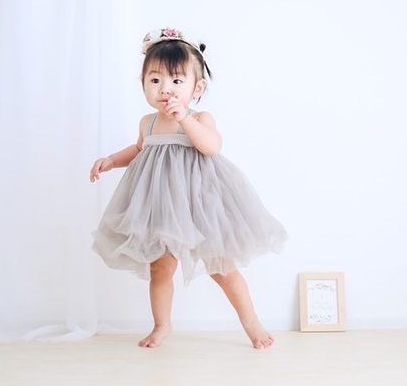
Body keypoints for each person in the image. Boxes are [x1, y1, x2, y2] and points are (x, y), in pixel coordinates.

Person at [89, 27, 288, 349]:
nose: (165, 89)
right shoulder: (148, 123)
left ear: (197, 88)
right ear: (143, 84)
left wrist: (185, 119)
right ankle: (161, 325)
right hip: (161, 208)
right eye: (155, 80)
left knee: (222, 268)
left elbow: (211, 147)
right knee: (160, 268)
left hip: (200, 206)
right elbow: (140, 149)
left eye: (177, 81)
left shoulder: (200, 118)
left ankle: (252, 322)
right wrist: (111, 160)